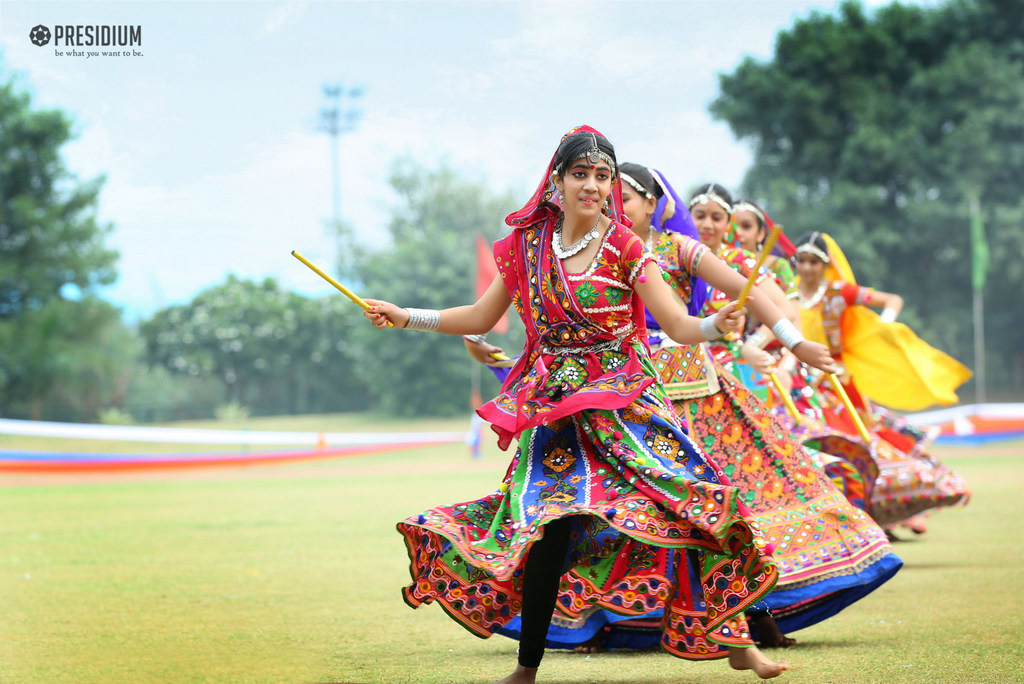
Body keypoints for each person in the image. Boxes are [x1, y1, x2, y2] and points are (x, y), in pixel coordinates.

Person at [364, 126, 789, 682]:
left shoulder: (627, 248)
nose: (592, 186)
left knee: (686, 507)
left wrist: (714, 323)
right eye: (581, 174)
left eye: (602, 176)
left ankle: (734, 640)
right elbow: (479, 317)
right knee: (547, 527)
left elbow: (679, 324)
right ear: (557, 181)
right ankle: (526, 668)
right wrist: (407, 316)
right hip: (556, 411)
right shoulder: (526, 247)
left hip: (626, 407)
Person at [792, 231, 971, 533]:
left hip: (837, 383)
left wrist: (882, 327)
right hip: (800, 382)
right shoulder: (787, 297)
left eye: (814, 261)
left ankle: (902, 505)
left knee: (863, 441)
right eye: (802, 261)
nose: (808, 268)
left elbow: (892, 299)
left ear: (825, 265)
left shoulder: (838, 292)